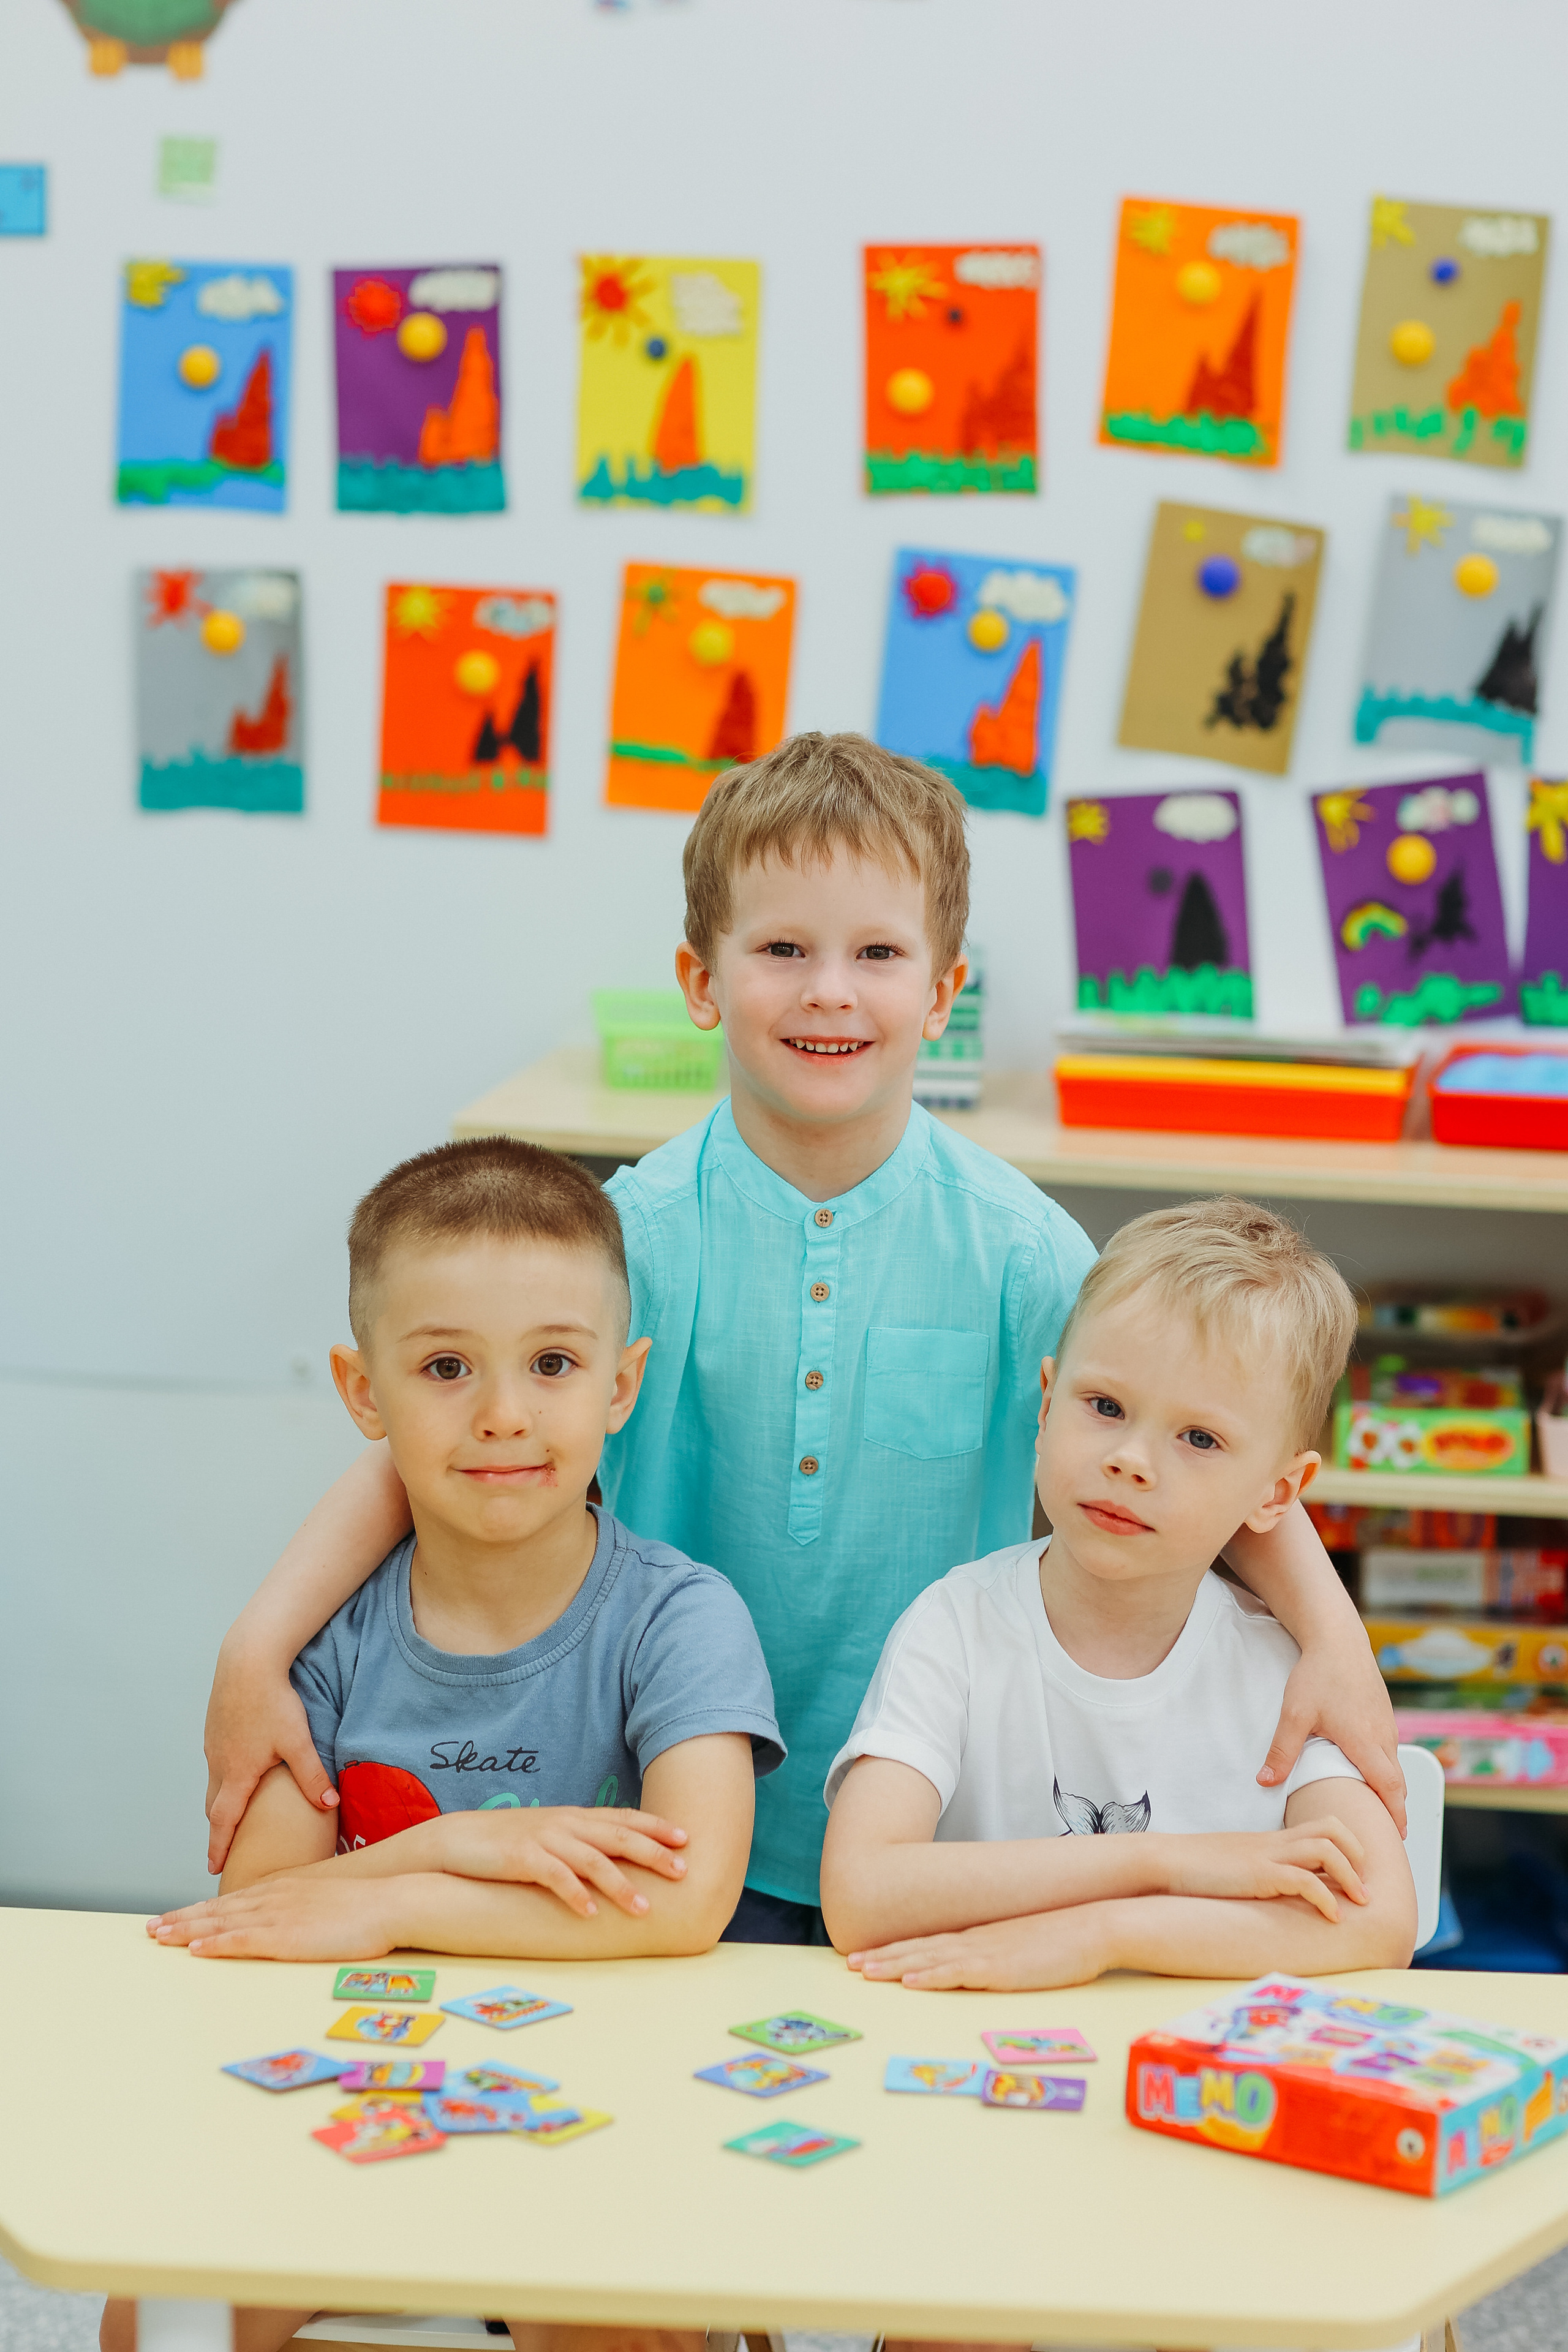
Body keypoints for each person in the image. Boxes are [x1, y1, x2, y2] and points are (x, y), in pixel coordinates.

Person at [198, 734, 1404, 1937]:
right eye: (783, 949)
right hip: (650, 1817)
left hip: (943, 1847)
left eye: (878, 953)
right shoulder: (626, 1241)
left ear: (942, 992)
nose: (830, 989)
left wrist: (1332, 1641)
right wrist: (258, 1649)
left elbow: (1199, 1440)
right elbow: (439, 1448)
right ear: (701, 981)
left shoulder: (1023, 1253)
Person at [104, 1139, 780, 2352]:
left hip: (608, 2098)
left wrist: (384, 1899)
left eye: (553, 1364)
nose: (504, 1413)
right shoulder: (328, 1636)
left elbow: (684, 1904)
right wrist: (466, 1846)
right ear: (363, 1393)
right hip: (361, 2085)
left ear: (621, 1384)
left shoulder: (682, 1620)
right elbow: (261, 1914)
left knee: (599, 2322)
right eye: (446, 1367)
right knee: (149, 2315)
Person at [819, 1197, 1417, 1988]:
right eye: (1105, 1407)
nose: (1131, 1460)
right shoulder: (955, 1626)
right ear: (1046, 1404)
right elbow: (859, 1897)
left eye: (1199, 1438)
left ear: (1278, 1492)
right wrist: (1161, 1862)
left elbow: (1382, 1921)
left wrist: (1103, 1934)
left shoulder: (1285, 1672)